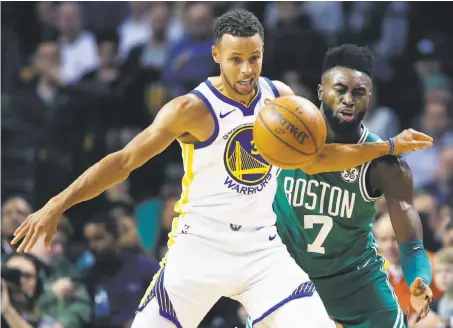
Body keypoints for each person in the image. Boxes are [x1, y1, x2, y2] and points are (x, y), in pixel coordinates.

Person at [12, 11, 432, 328]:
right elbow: (122, 162)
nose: (248, 70)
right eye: (236, 60)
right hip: (199, 249)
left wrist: (389, 145)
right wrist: (56, 204)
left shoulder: (279, 98)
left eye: (255, 58)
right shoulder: (190, 109)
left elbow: (317, 158)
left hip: (263, 251)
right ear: (216, 55)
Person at [270, 44, 434, 328]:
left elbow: (412, 245)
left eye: (358, 93)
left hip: (355, 281)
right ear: (321, 92)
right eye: (340, 89)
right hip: (288, 275)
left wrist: (420, 279)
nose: (348, 99)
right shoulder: (286, 138)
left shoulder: (386, 165)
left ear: (368, 98)